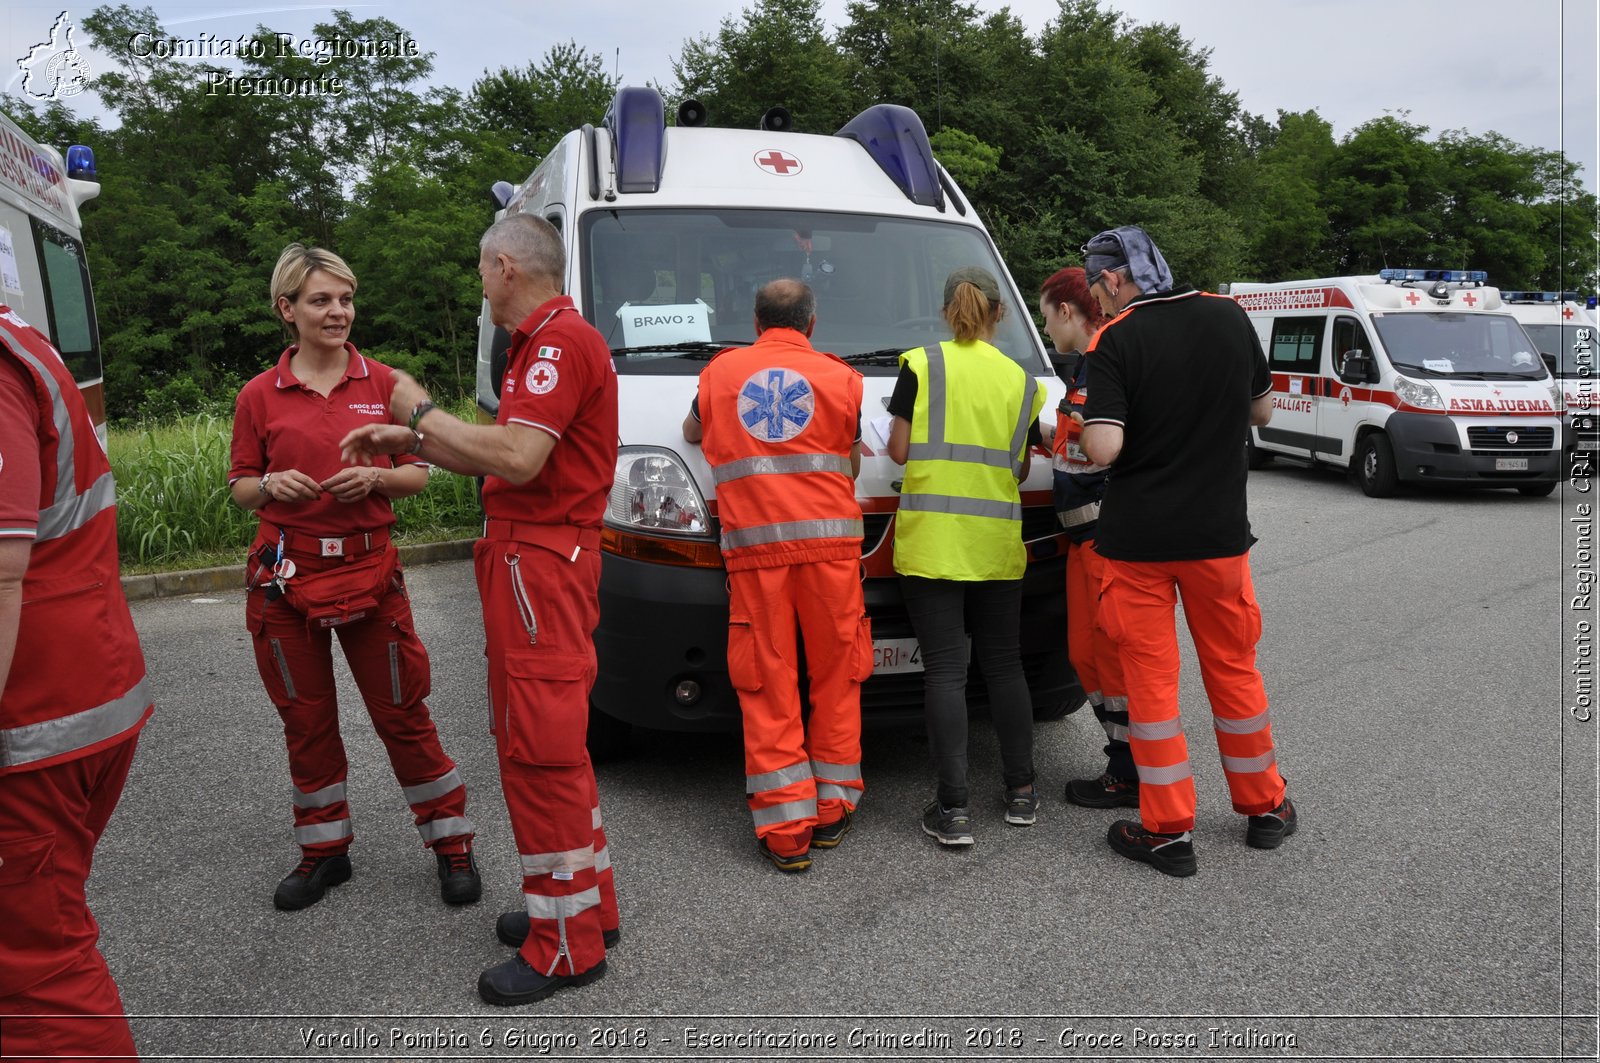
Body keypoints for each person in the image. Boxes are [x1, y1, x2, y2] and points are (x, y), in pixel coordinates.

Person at [339, 213, 620, 1007]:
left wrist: (421, 414)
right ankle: (585, 905)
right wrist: (416, 442)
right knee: (551, 740)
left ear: (504, 266)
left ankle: (566, 943)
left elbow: (518, 457)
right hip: (539, 559)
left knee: (539, 750)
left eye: (480, 271)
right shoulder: (552, 341)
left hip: (540, 562)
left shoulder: (557, 342)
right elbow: (509, 449)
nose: (479, 285)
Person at [229, 244, 480, 911]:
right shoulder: (258, 394)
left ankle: (451, 841)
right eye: (321, 300)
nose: (338, 311)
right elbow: (241, 486)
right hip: (286, 578)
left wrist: (376, 476)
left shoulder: (388, 384)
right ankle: (324, 852)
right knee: (306, 721)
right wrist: (267, 486)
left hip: (371, 572)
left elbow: (421, 474)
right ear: (287, 309)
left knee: (402, 711)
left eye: (345, 299)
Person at [1078, 225, 1297, 878]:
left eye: (1097, 288)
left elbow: (1104, 449)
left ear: (1116, 278)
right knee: (1234, 670)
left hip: (1138, 544)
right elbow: (1262, 412)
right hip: (1218, 537)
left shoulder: (1115, 340)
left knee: (1150, 684)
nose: (1098, 303)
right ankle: (1265, 808)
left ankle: (1167, 830)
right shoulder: (1230, 316)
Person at [0, 307, 151, 1058]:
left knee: (32, 968)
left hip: (33, 719)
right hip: (73, 698)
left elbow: (1, 569)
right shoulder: (21, 339)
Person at [681, 279, 869, 874]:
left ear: (757, 320)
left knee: (767, 680)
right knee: (838, 672)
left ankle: (787, 828)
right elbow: (853, 454)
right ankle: (835, 805)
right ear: (811, 324)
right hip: (833, 553)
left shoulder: (721, 374)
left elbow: (693, 432)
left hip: (756, 555)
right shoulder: (841, 378)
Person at [887, 266, 1046, 847]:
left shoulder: (920, 365)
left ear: (945, 309)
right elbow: (1022, 467)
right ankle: (1022, 793)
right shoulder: (1022, 381)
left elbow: (901, 451)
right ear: (999, 312)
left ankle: (953, 809)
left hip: (932, 544)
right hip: (995, 546)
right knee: (1004, 665)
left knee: (947, 672)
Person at [1039, 267, 1137, 810]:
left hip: (1106, 539)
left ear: (1068, 313)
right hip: (1083, 542)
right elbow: (1084, 438)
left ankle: (1132, 769)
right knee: (1086, 656)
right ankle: (1123, 758)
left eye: (1047, 315)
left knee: (1114, 661)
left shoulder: (1103, 363)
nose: (1046, 327)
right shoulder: (1083, 371)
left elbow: (1113, 447)